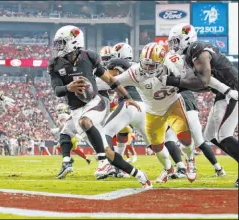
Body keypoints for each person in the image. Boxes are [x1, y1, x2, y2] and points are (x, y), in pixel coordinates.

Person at [48, 25, 151, 188]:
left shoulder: (89, 57)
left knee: (85, 122)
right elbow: (57, 91)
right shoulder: (55, 64)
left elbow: (110, 80)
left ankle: (101, 160)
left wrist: (127, 97)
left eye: (62, 42)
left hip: (96, 102)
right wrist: (69, 88)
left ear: (73, 42)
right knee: (109, 151)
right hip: (76, 109)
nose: (58, 46)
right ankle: (139, 174)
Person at [160, 23, 238, 187]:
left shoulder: (197, 48)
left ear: (186, 38)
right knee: (210, 136)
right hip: (223, 92)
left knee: (224, 135)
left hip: (233, 90)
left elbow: (203, 80)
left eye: (176, 41)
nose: (173, 46)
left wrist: (173, 81)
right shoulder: (190, 55)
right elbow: (203, 85)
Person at [111, 42, 197, 183]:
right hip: (152, 111)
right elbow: (114, 81)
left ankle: (190, 161)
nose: (147, 68)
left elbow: (191, 79)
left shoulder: (173, 64)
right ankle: (168, 169)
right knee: (157, 146)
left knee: (185, 138)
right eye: (146, 64)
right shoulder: (135, 71)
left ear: (162, 62)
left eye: (152, 65)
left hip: (173, 104)